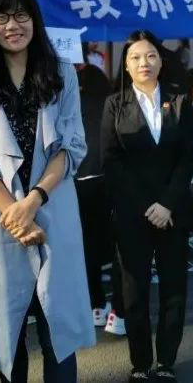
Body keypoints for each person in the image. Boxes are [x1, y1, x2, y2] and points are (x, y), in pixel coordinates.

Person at [0, 0, 95, 382]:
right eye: (1, 17)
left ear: (35, 19)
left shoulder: (61, 74)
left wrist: (32, 201)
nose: (12, 26)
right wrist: (16, 214)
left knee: (58, 329)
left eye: (20, 15)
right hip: (0, 219)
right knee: (8, 332)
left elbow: (71, 146)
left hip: (53, 206)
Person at [101, 30, 193, 382]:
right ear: (126, 65)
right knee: (134, 291)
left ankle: (166, 361)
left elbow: (187, 158)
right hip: (132, 212)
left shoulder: (179, 100)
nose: (145, 62)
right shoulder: (115, 104)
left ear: (161, 60)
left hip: (173, 212)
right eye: (136, 57)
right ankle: (140, 364)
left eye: (151, 55)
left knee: (174, 289)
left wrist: (166, 204)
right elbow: (111, 162)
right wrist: (147, 205)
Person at [75, 61, 126, 335]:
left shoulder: (70, 104)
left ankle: (96, 305)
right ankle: (118, 311)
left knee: (86, 248)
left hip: (77, 182)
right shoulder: (113, 103)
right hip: (109, 181)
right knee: (119, 248)